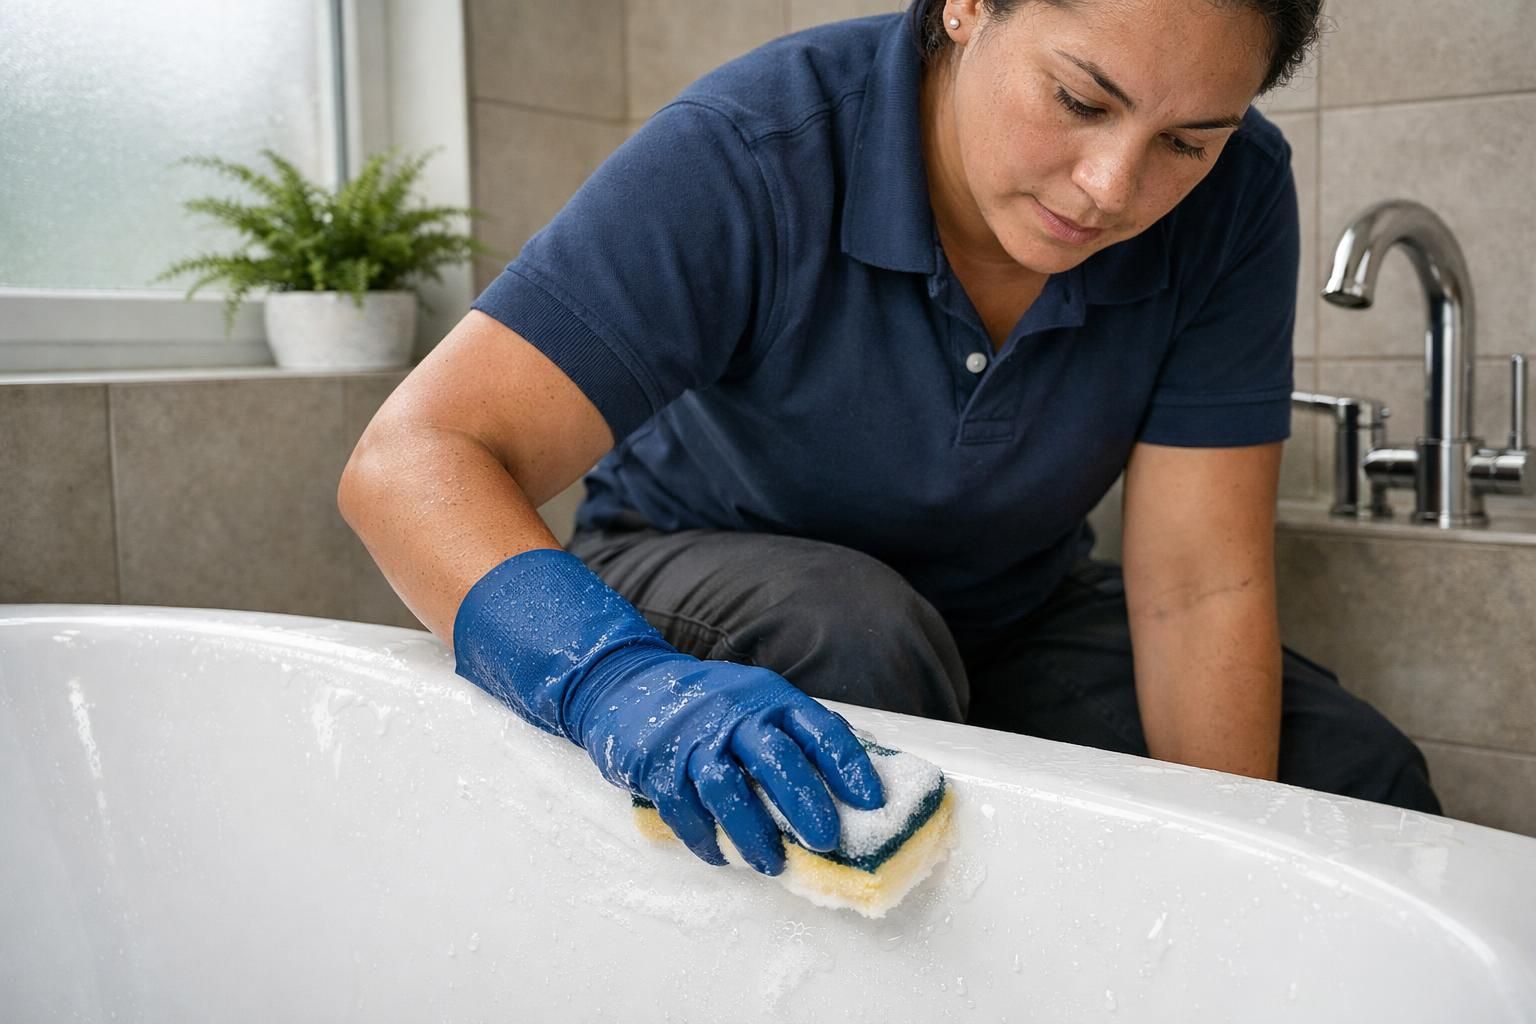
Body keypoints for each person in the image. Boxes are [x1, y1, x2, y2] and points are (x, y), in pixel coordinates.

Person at [338, 0, 1443, 877]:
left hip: (1005, 610)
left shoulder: (1237, 198)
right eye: (1077, 99)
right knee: (859, 638)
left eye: (1185, 143)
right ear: (967, 6)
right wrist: (615, 681)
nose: (1112, 188)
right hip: (702, 576)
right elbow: (410, 459)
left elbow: (1200, 584)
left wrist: (1233, 876)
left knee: (1346, 775)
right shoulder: (755, 150)